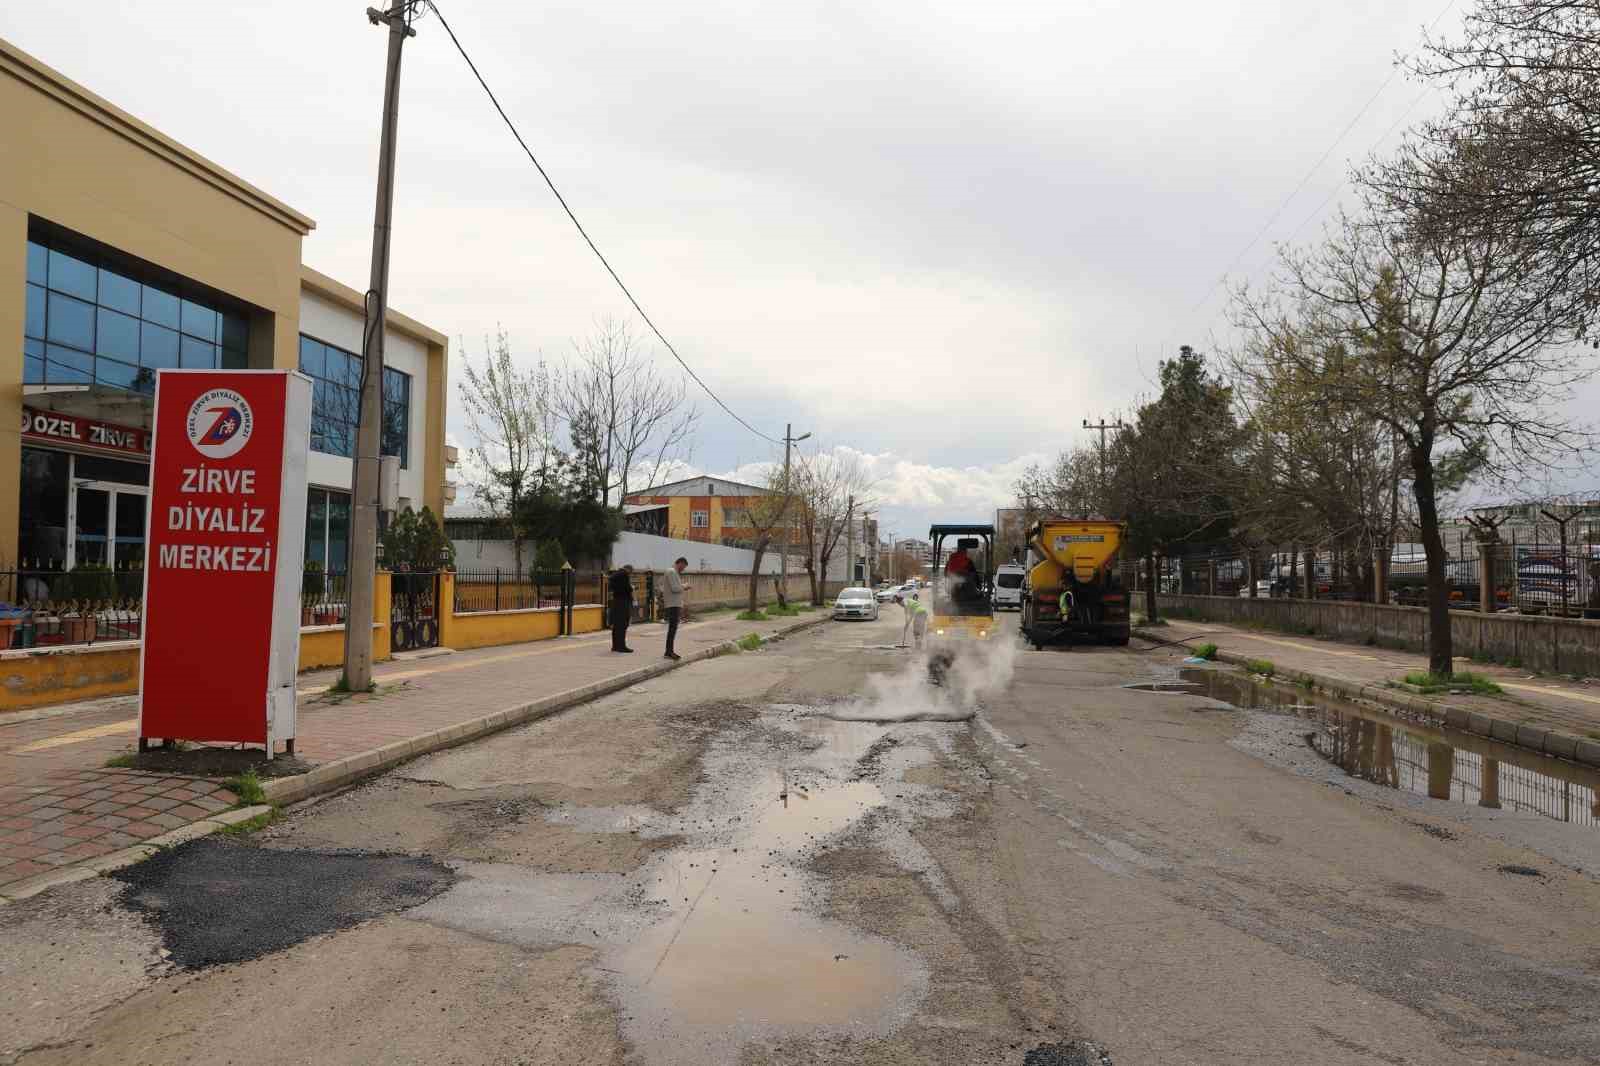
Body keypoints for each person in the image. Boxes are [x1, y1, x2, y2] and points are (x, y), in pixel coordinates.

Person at [662, 557, 690, 660]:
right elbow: (675, 588)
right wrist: (685, 586)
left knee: (673, 629)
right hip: (673, 604)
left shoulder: (673, 572)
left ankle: (669, 651)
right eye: (684, 567)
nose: (683, 569)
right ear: (680, 563)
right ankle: (669, 652)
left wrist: (682, 586)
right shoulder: (672, 572)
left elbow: (676, 586)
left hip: (674, 604)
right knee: (672, 629)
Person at [609, 565, 635, 653]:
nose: (630, 574)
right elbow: (627, 588)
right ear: (629, 570)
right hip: (623, 602)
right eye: (631, 572)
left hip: (616, 601)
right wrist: (632, 588)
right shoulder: (624, 574)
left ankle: (615, 646)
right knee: (623, 625)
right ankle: (621, 646)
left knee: (616, 625)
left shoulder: (615, 575)